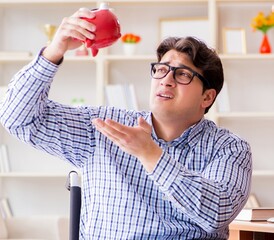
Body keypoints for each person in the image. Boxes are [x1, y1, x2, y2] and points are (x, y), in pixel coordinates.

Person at [0, 8, 252, 240]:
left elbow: (216, 214)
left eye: (183, 74)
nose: (166, 80)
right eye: (161, 69)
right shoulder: (105, 126)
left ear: (207, 97)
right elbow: (16, 117)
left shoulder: (229, 148)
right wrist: (54, 51)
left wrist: (150, 154)